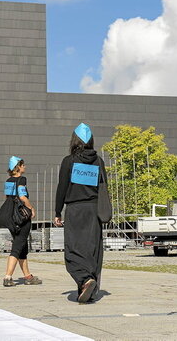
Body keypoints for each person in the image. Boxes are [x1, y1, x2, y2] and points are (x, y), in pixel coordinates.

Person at [54, 123, 107, 304]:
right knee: (92, 249)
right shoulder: (99, 161)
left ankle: (85, 280)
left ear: (74, 140)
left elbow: (62, 187)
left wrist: (57, 211)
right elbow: (104, 188)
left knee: (73, 249)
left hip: (75, 209)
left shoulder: (69, 161)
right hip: (94, 210)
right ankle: (89, 289)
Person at [0, 156, 42, 287]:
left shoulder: (8, 180)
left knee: (22, 247)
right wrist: (31, 208)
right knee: (17, 246)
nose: (25, 167)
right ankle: (8, 277)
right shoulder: (22, 179)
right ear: (18, 167)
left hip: (10, 215)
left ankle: (28, 276)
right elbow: (22, 196)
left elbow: (9, 197)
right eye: (23, 165)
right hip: (20, 216)